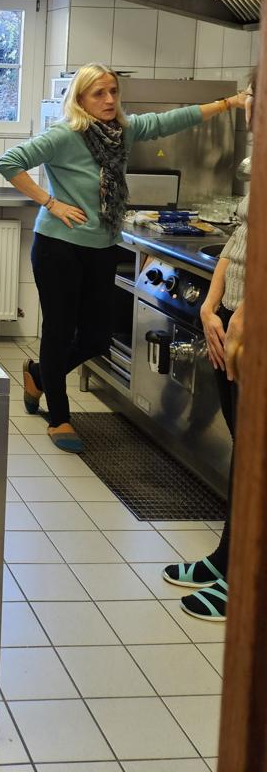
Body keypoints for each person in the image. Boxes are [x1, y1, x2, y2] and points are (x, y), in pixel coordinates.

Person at [0, 63, 247, 452]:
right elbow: (9, 162)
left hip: (102, 245)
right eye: (99, 93)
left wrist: (229, 103)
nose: (109, 99)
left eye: (113, 91)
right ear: (80, 98)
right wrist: (51, 202)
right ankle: (60, 418)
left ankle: (40, 376)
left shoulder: (122, 133)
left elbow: (170, 121)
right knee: (59, 331)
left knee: (97, 337)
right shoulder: (65, 134)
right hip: (58, 246)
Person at [162, 70, 255, 622]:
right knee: (245, 451)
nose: (250, 107)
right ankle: (227, 559)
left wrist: (244, 318)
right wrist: (211, 305)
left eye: (257, 99)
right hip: (229, 315)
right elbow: (240, 239)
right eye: (251, 97)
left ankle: (244, 582)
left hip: (251, 326)